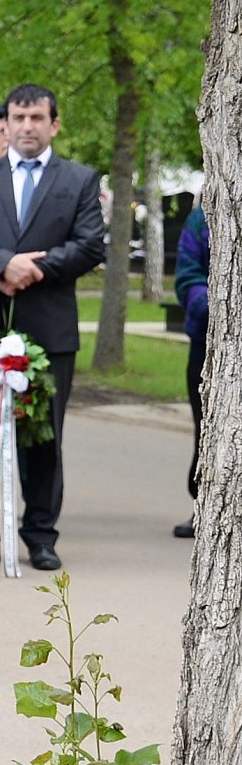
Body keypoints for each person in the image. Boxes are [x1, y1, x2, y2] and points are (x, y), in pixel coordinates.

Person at [0, 83, 106, 570]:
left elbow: (90, 244)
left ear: (54, 124)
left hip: (50, 327)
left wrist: (35, 269)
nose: (27, 127)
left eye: (37, 118)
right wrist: (3, 264)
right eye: (19, 118)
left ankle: (40, 535)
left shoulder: (78, 179)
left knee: (44, 438)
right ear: (7, 124)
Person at [175, 201, 209, 538]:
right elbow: (187, 276)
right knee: (208, 429)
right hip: (208, 344)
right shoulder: (202, 217)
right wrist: (220, 308)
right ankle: (204, 507)